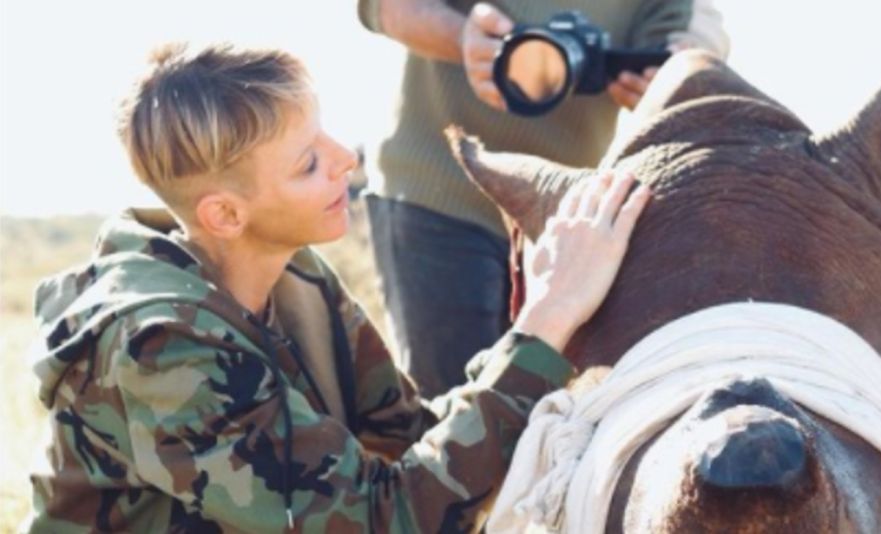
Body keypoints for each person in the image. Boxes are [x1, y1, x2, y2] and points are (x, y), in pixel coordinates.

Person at [27, 43, 651, 532]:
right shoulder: (159, 347)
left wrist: (542, 323)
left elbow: (409, 442)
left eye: (325, 135)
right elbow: (388, 519)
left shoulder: (297, 279)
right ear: (223, 215)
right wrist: (548, 318)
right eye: (307, 163)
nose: (344, 159)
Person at [357, 0, 730, 396]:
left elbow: (697, 27)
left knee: (550, 409)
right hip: (437, 191)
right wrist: (465, 39)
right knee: (448, 404)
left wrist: (679, 65)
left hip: (563, 217)